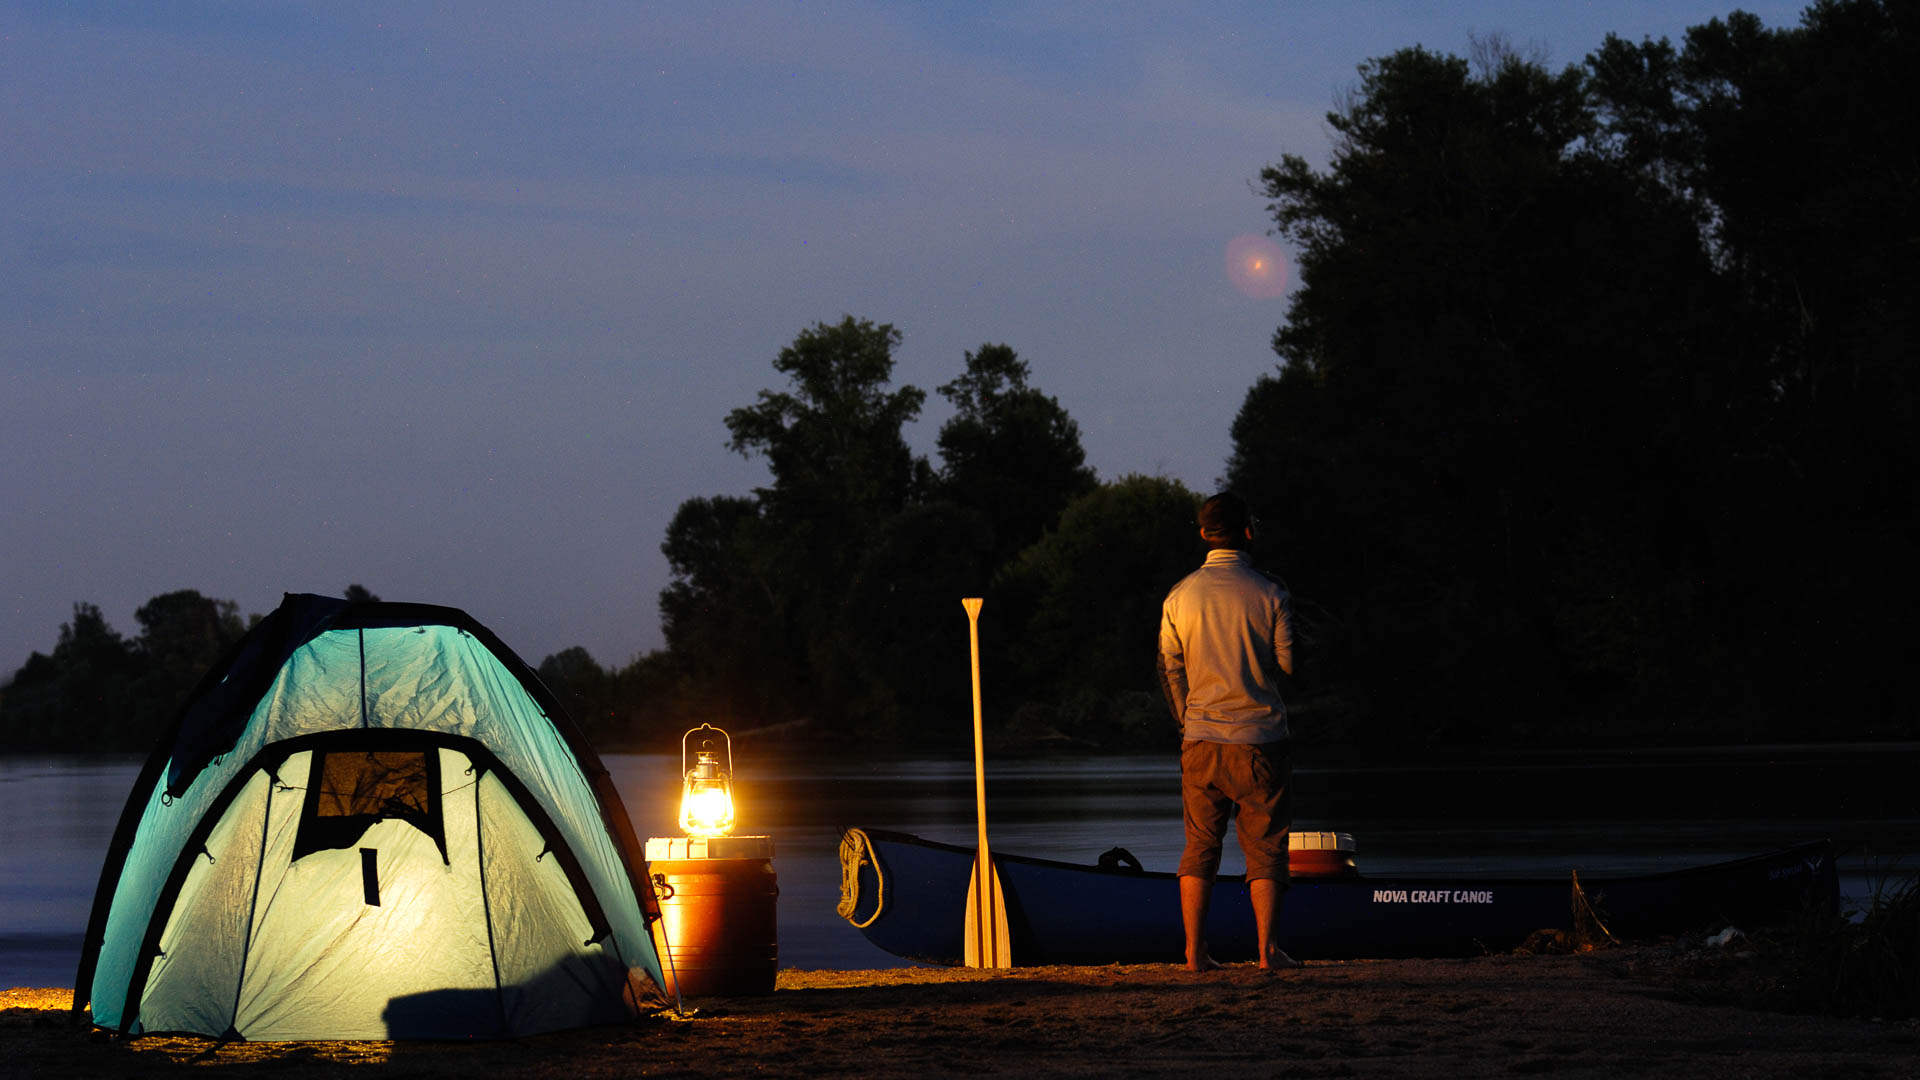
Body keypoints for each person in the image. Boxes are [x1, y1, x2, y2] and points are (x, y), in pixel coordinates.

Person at [1156, 491, 1298, 971]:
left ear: (1203, 534)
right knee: (1266, 846)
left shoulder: (1178, 596)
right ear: (1248, 531)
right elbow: (1289, 663)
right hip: (1261, 739)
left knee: (1200, 844)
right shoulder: (1271, 593)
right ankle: (1268, 952)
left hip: (1199, 739)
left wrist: (1186, 721)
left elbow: (1169, 667)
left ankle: (1195, 953)